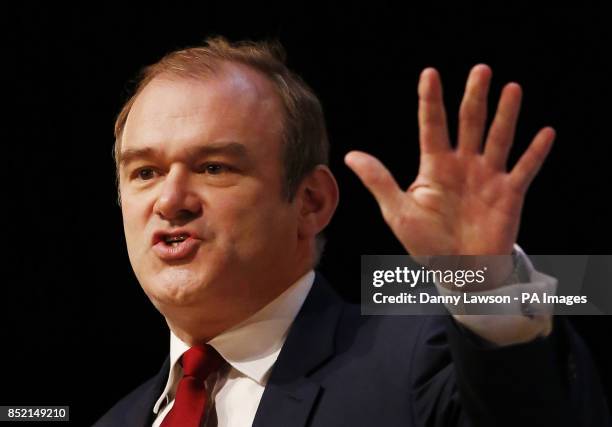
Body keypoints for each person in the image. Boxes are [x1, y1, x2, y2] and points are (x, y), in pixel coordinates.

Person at [94, 37, 610, 426]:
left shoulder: (420, 359)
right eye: (145, 172)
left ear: (310, 202)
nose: (170, 200)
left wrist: (482, 282)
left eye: (214, 167)